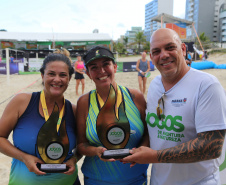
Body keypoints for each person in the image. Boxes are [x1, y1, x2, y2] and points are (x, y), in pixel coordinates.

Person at [122, 28, 226, 185]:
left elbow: (211, 146)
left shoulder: (207, 85)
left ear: (183, 49)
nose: (163, 55)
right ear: (151, 57)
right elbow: (157, 131)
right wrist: (141, 149)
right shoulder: (155, 84)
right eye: (156, 51)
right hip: (159, 180)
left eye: (170, 47)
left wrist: (154, 156)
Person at [0, 48, 81, 185]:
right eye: (51, 74)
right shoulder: (22, 102)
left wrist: (75, 158)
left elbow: (82, 146)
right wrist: (24, 157)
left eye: (62, 75)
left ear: (69, 78)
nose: (57, 79)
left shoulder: (74, 110)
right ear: (42, 75)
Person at [76, 46, 149, 185]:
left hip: (135, 178)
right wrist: (96, 151)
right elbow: (81, 145)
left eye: (106, 65)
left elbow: (147, 134)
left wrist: (140, 150)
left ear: (115, 67)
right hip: (97, 179)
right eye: (94, 67)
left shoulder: (135, 97)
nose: (101, 71)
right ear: (88, 73)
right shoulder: (84, 102)